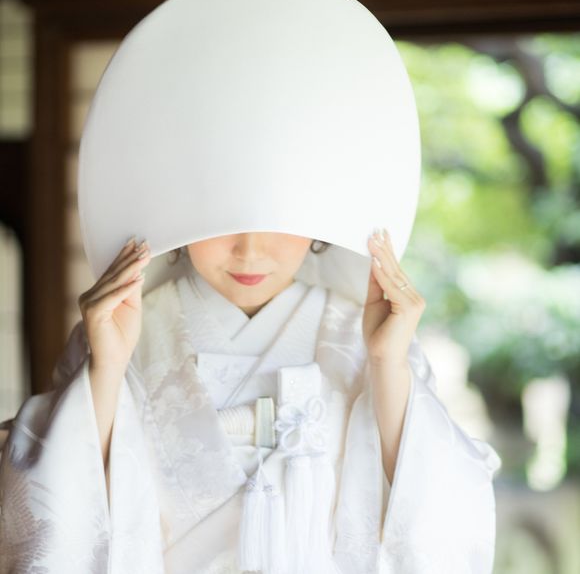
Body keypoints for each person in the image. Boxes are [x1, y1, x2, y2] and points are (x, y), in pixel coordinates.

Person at [0, 228, 501, 574]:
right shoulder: (119, 330)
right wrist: (106, 368)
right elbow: (52, 511)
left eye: (277, 223)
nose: (250, 251)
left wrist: (387, 364)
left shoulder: (364, 332)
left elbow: (442, 517)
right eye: (223, 223)